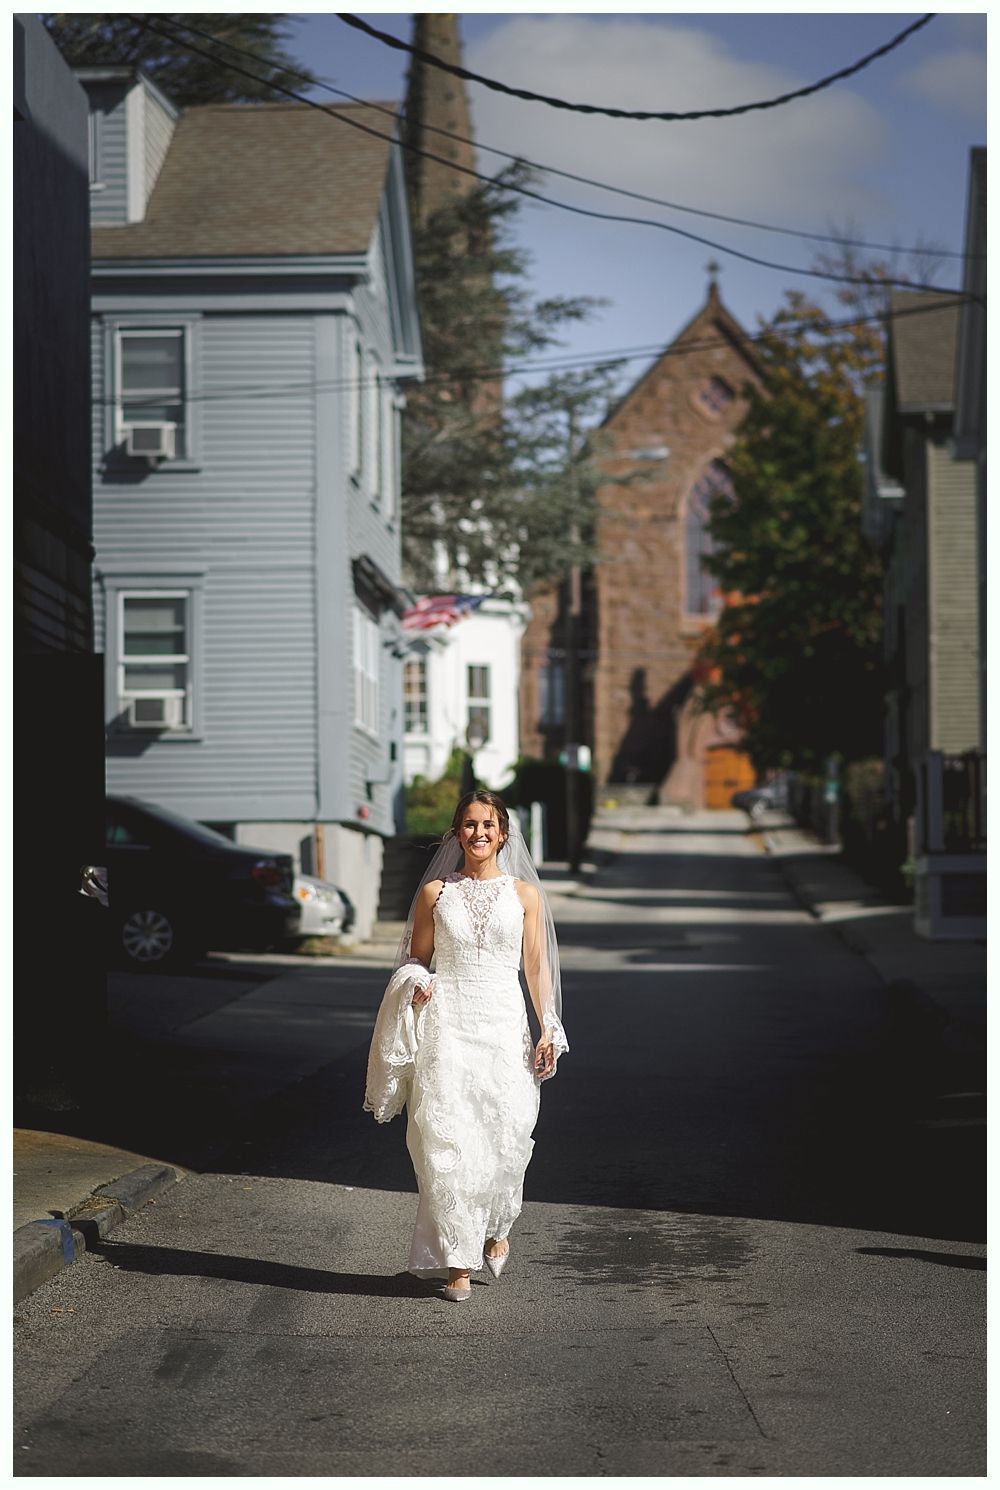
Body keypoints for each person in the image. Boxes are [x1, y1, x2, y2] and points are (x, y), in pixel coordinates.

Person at [364, 789, 568, 1302]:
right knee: (444, 1139)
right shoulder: (436, 892)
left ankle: (497, 1228)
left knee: (507, 1131)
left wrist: (548, 1024)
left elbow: (536, 967)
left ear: (502, 834)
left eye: (488, 825)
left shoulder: (524, 895)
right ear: (457, 833)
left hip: (503, 1025)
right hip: (448, 1025)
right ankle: (457, 1262)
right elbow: (415, 961)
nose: (479, 833)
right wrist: (417, 984)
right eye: (469, 824)